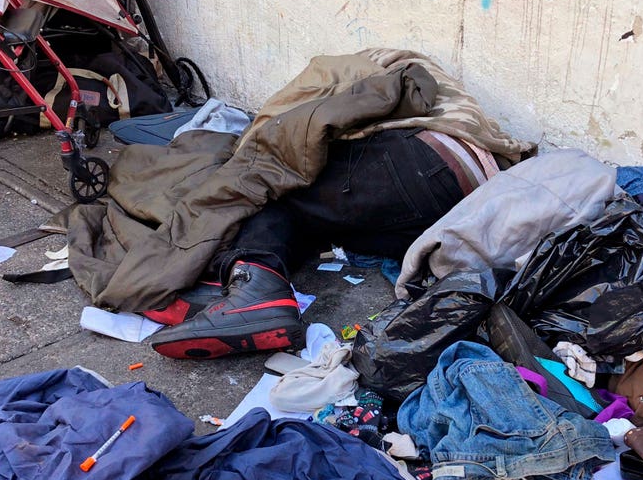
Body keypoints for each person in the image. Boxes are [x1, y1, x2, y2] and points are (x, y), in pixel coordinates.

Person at [145, 127, 500, 360]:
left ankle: (254, 286)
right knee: (313, 222)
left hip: (432, 161)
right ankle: (243, 284)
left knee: (270, 189)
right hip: (459, 205)